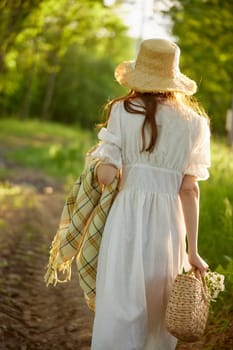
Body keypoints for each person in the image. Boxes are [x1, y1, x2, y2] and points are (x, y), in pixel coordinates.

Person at [90, 38, 210, 350]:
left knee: (120, 307)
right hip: (168, 230)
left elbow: (105, 177)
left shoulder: (121, 110)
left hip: (126, 220)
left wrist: (101, 159)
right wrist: (192, 251)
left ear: (140, 75)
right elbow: (190, 190)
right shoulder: (195, 124)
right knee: (158, 316)